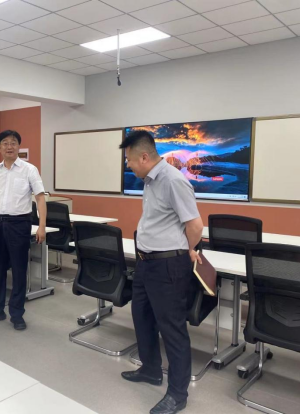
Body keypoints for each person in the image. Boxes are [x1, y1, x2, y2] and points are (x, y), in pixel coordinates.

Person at [120, 130, 204, 415]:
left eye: (130, 160)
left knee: (172, 329)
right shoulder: (150, 180)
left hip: (168, 265)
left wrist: (187, 249)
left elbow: (195, 226)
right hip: (146, 263)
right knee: (142, 316)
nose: (128, 165)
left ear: (144, 157)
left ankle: (178, 394)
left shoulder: (173, 180)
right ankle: (151, 369)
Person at [0, 130, 47, 331]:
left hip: (19, 224)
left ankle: (17, 313)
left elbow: (40, 197)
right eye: (5, 143)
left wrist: (42, 226)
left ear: (18, 146)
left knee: (19, 269)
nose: (9, 146)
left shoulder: (29, 170)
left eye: (13, 143)